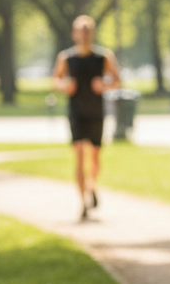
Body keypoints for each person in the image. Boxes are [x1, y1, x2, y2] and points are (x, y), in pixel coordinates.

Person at [52, 15, 121, 220]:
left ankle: (91, 185)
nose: (84, 34)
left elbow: (117, 81)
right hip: (76, 112)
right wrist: (65, 86)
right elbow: (55, 79)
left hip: (96, 112)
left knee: (95, 158)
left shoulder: (104, 57)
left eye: (88, 30)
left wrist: (104, 85)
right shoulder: (66, 57)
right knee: (80, 155)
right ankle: (83, 202)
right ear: (74, 33)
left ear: (92, 33)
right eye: (80, 30)